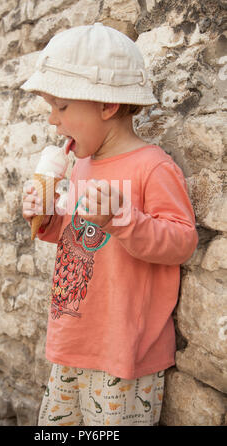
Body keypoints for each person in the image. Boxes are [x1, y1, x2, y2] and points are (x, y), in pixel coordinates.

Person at [20, 23, 198, 426]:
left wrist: (123, 218)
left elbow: (182, 241)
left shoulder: (152, 166)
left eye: (62, 107)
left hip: (123, 354)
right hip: (72, 339)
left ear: (106, 106)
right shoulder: (80, 164)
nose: (52, 120)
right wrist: (45, 217)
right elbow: (77, 236)